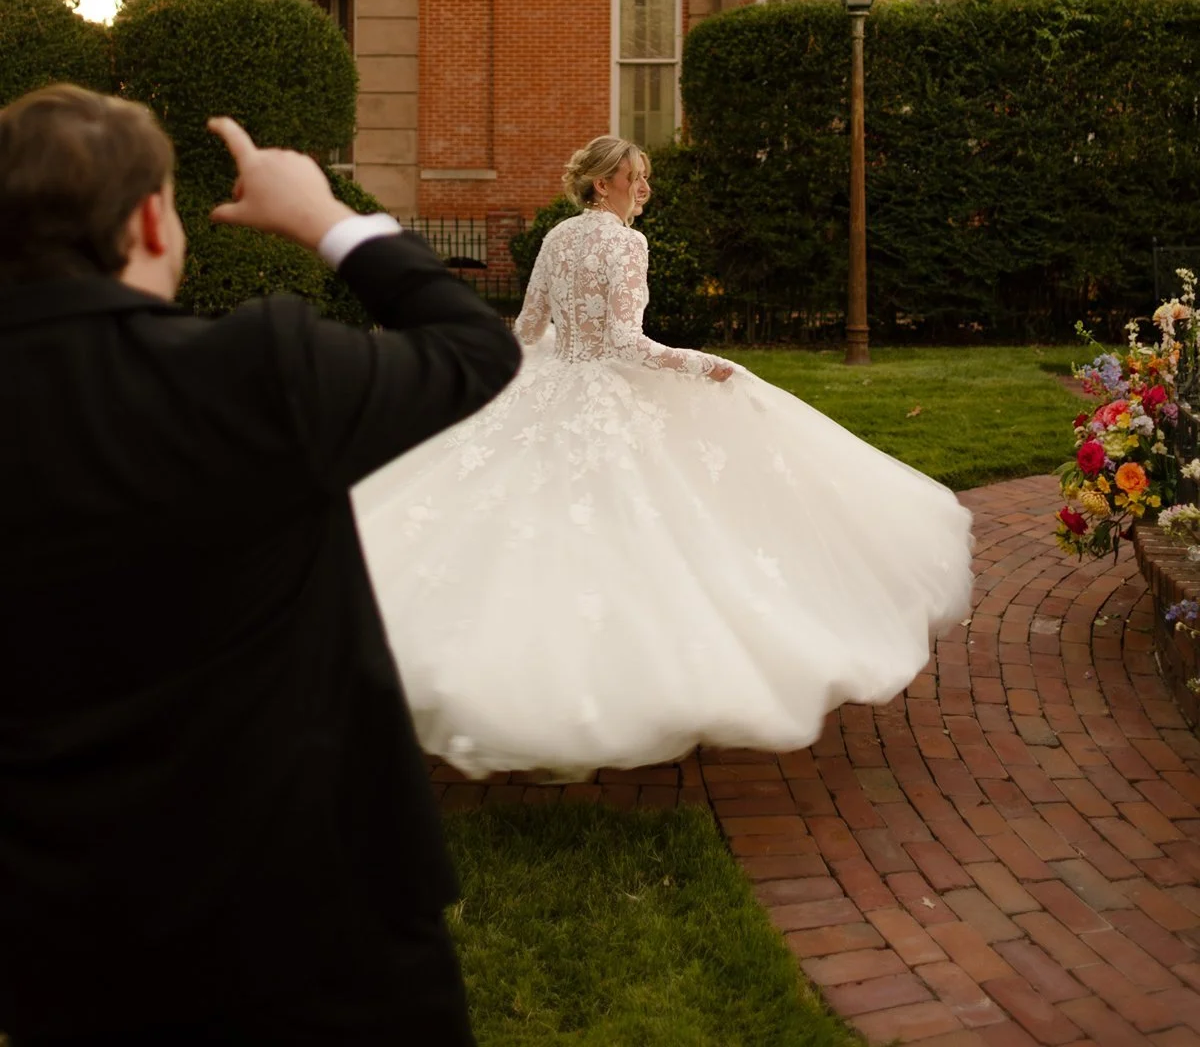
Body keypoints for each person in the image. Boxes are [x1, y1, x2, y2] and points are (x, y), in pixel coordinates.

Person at [0, 83, 521, 1046]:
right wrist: (325, 218)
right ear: (152, 219)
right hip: (322, 922)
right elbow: (472, 349)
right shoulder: (255, 373)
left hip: (62, 940)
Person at [354, 134, 974, 782]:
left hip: (550, 388)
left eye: (645, 175)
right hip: (601, 395)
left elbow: (527, 330)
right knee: (639, 528)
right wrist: (704, 364)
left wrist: (542, 374)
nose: (643, 188)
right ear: (603, 185)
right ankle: (621, 685)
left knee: (527, 522)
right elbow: (626, 343)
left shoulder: (556, 239)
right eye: (634, 176)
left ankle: (533, 677)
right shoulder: (625, 242)